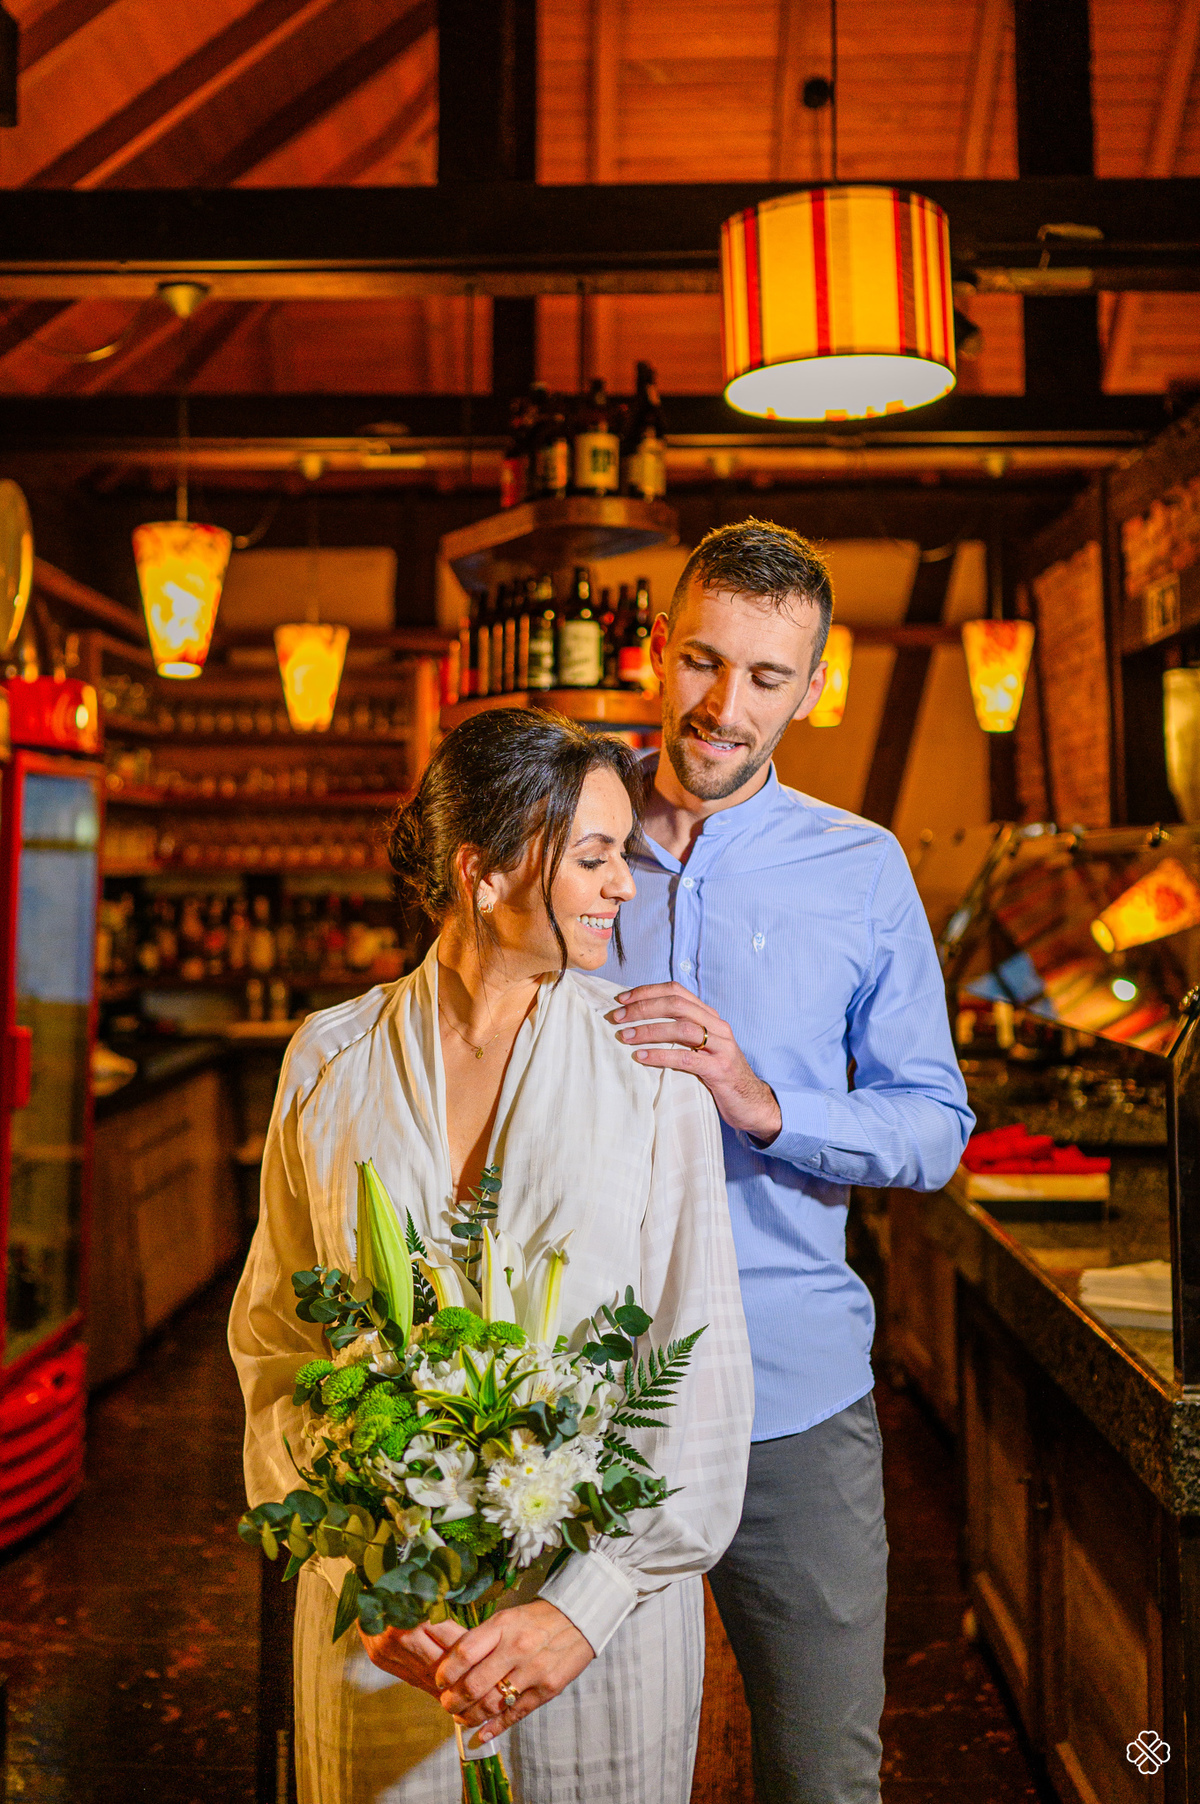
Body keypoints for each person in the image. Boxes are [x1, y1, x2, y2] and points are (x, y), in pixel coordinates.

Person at [229, 708, 754, 1804]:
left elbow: (696, 1374)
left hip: (591, 1644)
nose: (624, 885)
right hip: (389, 1630)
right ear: (483, 870)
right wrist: (355, 1568)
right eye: (594, 856)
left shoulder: (651, 1071)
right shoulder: (329, 1062)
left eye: (626, 854)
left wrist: (585, 1605)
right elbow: (276, 1342)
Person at [600, 519, 975, 1804]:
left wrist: (770, 1103)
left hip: (792, 1397)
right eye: (703, 661)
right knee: (572, 1773)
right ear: (660, 646)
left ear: (811, 686)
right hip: (576, 1399)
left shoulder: (863, 870)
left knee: (824, 1778)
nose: (723, 706)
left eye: (766, 677)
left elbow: (934, 1125)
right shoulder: (568, 833)